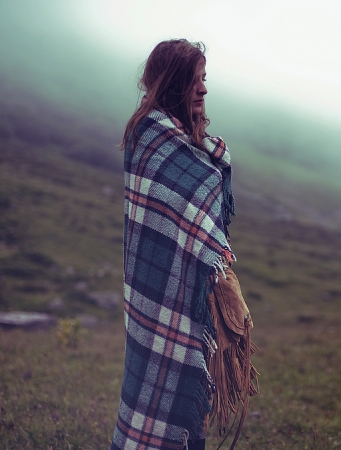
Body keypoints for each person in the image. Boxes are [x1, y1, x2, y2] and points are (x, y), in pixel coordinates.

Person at [110, 39, 257, 450]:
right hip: (154, 295)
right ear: (173, 83)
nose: (204, 90)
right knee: (149, 389)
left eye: (204, 80)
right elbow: (159, 222)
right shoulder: (150, 139)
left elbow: (202, 224)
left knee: (191, 401)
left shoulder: (197, 147)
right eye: (194, 81)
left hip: (192, 300)